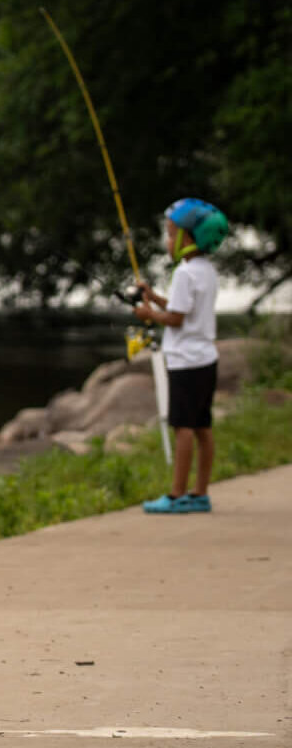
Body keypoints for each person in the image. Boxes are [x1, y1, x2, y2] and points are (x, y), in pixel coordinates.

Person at [131, 198, 228, 514]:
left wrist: (148, 313)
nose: (168, 241)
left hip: (185, 362)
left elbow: (176, 318)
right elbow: (180, 307)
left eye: (171, 234)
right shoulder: (207, 271)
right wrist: (154, 297)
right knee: (203, 427)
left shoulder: (185, 273)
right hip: (205, 359)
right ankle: (200, 493)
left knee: (183, 427)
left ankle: (176, 496)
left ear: (188, 239)